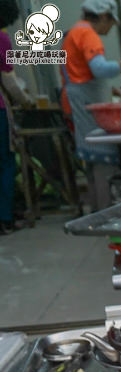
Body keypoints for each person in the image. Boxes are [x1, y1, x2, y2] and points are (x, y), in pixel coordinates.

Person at [61, 0, 121, 211]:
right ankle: (107, 214)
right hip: (88, 105)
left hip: (79, 101)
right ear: (102, 16)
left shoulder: (74, 31)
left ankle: (97, 213)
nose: (110, 28)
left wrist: (110, 90)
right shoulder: (87, 33)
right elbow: (100, 69)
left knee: (91, 161)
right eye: (110, 22)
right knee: (102, 160)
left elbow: (82, 72)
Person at [0, 0, 34, 233]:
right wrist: (26, 101)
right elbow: (9, 80)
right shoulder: (1, 39)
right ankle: (5, 218)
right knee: (5, 163)